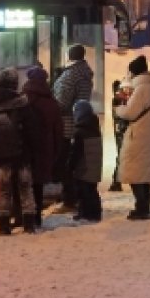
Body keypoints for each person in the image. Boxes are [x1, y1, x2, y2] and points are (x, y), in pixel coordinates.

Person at [0, 67, 40, 235]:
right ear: (15, 84)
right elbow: (32, 131)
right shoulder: (22, 104)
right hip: (21, 153)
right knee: (25, 187)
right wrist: (33, 152)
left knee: (4, 189)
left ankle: (3, 225)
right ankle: (29, 224)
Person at [113, 55, 150, 220]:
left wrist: (118, 108)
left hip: (137, 135)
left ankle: (141, 207)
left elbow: (129, 112)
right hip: (148, 134)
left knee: (135, 173)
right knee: (143, 173)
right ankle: (144, 206)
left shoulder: (141, 90)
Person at [52, 43, 93, 209]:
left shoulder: (70, 76)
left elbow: (62, 103)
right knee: (73, 162)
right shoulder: (84, 72)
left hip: (67, 124)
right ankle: (73, 196)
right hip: (78, 120)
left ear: (70, 56)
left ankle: (69, 199)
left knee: (66, 163)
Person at [22, 65, 64, 228]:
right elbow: (58, 132)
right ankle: (37, 217)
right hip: (44, 149)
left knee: (24, 183)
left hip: (25, 148)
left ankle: (24, 216)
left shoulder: (22, 99)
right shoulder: (52, 103)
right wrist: (55, 151)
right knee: (37, 184)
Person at [68, 98, 103, 222]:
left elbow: (76, 153)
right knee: (92, 190)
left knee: (83, 192)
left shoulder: (79, 131)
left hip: (84, 167)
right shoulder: (95, 128)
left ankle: (87, 214)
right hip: (94, 167)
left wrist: (70, 166)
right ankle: (95, 213)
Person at [108, 77, 130, 191]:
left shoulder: (118, 100)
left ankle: (117, 181)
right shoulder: (117, 100)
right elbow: (122, 115)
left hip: (120, 132)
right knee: (121, 156)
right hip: (121, 132)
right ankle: (116, 181)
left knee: (122, 156)